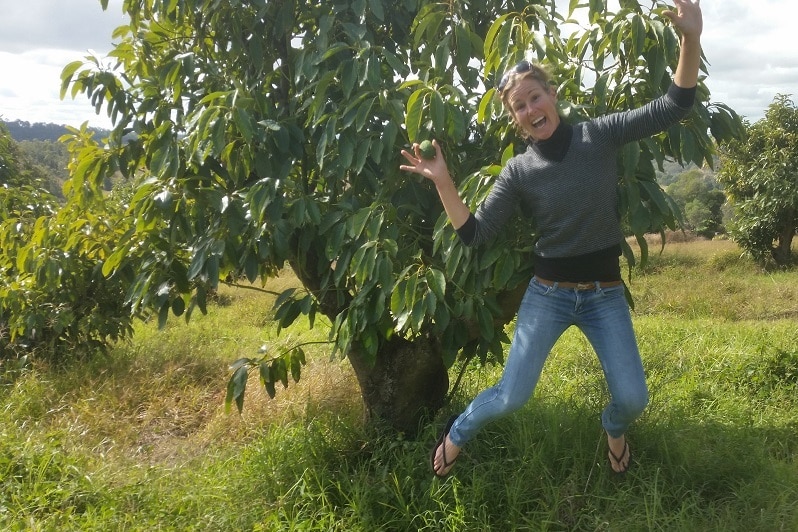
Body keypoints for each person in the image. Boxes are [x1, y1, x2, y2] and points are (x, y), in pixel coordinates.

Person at [400, 0, 703, 477]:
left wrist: (690, 38)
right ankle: (457, 433)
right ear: (515, 118)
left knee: (632, 397)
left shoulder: (598, 136)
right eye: (519, 107)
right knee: (511, 396)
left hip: (604, 296)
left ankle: (613, 428)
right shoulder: (519, 172)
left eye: (534, 97)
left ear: (552, 95)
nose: (529, 109)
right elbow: (476, 234)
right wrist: (443, 181)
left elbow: (673, 105)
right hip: (549, 296)